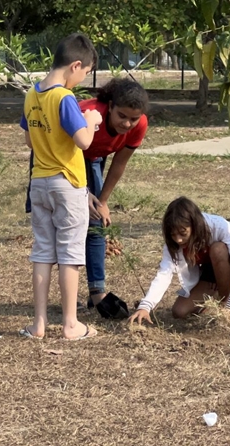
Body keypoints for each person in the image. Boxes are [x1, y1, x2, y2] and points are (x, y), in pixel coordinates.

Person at [19, 33, 102, 341]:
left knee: (43, 251)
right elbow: (84, 142)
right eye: (85, 73)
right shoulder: (64, 98)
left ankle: (38, 324)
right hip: (67, 184)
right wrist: (90, 120)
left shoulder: (32, 94)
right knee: (69, 253)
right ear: (75, 66)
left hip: (39, 182)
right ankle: (70, 324)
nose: (82, 80)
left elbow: (29, 140)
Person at [129, 197, 230, 325]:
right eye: (173, 234)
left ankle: (227, 299)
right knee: (179, 311)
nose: (178, 239)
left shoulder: (220, 227)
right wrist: (145, 306)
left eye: (183, 233)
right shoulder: (173, 244)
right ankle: (227, 287)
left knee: (218, 249)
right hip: (211, 268)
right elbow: (164, 274)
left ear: (195, 225)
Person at [80, 77, 149, 319]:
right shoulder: (88, 114)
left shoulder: (139, 125)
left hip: (94, 157)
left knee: (96, 221)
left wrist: (103, 200)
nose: (127, 123)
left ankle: (96, 293)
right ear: (110, 106)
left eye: (133, 118)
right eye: (121, 116)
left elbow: (120, 162)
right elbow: (61, 152)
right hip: (61, 157)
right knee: (71, 224)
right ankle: (85, 293)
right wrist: (82, 192)